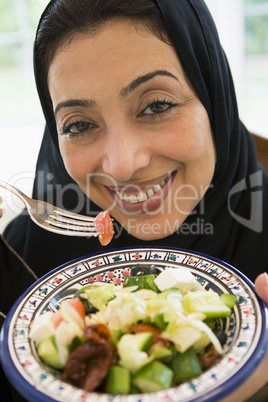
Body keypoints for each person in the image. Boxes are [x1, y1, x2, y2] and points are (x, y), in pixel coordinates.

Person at [0, 0, 268, 400]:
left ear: (213, 98)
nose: (122, 166)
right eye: (79, 125)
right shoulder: (18, 257)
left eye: (157, 105)